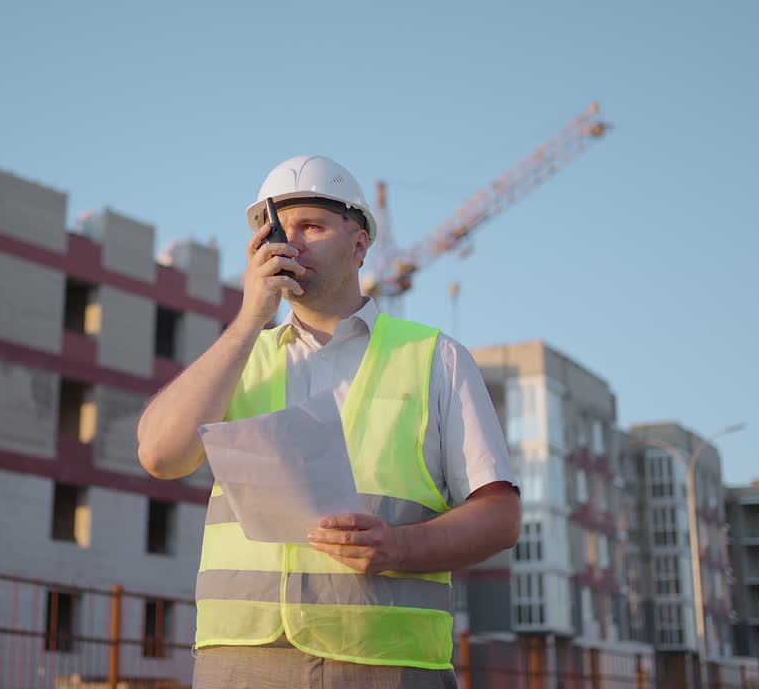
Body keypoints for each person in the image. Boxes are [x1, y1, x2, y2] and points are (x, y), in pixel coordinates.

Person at [137, 155, 521, 689]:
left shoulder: (435, 358)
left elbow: (499, 516)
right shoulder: (238, 358)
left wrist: (401, 548)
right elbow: (160, 455)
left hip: (387, 663)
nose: (290, 244)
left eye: (312, 226)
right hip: (242, 662)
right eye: (277, 230)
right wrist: (251, 316)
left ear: (360, 244)